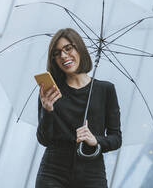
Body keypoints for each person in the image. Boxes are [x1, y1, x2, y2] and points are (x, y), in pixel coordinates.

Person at [35, 28, 122, 188]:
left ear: (79, 49)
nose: (63, 56)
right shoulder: (51, 91)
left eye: (68, 49)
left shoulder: (105, 90)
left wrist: (95, 140)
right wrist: (47, 111)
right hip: (53, 172)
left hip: (92, 173)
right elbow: (44, 139)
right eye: (57, 53)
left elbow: (116, 138)